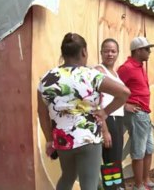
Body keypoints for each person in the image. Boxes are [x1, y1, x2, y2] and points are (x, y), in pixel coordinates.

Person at [37, 33, 130, 190]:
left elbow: (42, 113)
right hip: (88, 139)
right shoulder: (91, 75)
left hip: (62, 140)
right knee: (89, 184)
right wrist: (105, 112)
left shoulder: (46, 79)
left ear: (63, 53)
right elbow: (124, 93)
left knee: (67, 177)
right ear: (84, 52)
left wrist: (49, 140)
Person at [117, 36, 154, 190]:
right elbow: (114, 89)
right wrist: (124, 105)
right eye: (147, 49)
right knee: (139, 151)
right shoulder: (127, 67)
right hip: (136, 113)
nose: (149, 52)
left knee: (148, 149)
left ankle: (146, 181)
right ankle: (138, 185)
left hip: (144, 113)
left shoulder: (138, 66)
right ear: (138, 51)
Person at [95, 38, 126, 189]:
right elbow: (96, 103)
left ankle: (116, 187)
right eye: (106, 50)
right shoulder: (99, 70)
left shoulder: (115, 72)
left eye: (113, 51)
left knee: (115, 160)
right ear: (101, 52)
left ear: (118, 53)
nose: (110, 54)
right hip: (108, 120)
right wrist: (104, 130)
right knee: (110, 162)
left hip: (118, 119)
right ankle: (113, 188)